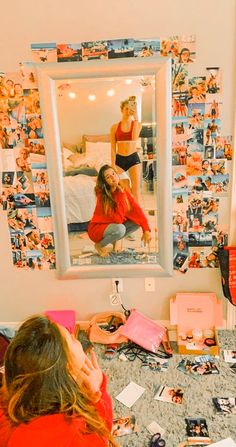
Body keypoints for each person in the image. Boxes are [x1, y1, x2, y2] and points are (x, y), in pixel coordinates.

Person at [0, 315, 117, 447]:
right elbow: (103, 434)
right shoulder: (80, 433)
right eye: (72, 339)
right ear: (68, 367)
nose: (77, 340)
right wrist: (98, 393)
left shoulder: (7, 416)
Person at [88, 165, 151, 257]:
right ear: (105, 182)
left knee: (136, 223)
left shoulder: (122, 190)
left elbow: (136, 209)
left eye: (113, 173)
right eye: (108, 177)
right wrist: (120, 195)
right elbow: (117, 220)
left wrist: (146, 230)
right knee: (120, 229)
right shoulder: (103, 196)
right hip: (98, 228)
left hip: (112, 225)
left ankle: (115, 240)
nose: (113, 177)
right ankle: (99, 245)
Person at [110, 96, 142, 204]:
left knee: (136, 191)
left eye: (131, 108)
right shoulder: (114, 127)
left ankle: (139, 218)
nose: (129, 111)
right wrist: (113, 164)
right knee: (117, 185)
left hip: (133, 158)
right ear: (121, 110)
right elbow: (113, 148)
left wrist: (136, 117)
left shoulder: (137, 124)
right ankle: (125, 185)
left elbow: (134, 138)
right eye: (126, 109)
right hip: (120, 159)